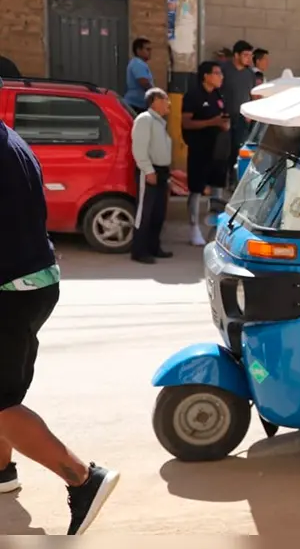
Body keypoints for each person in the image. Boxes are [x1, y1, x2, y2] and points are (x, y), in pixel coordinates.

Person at [0, 120, 120, 535]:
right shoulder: (12, 140)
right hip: (33, 281)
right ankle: (1, 472)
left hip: (10, 288)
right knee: (6, 391)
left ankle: (84, 477)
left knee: (0, 400)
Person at [182, 61, 230, 247]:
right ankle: (193, 227)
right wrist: (212, 122)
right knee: (196, 190)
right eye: (217, 73)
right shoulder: (193, 95)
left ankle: (216, 228)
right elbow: (186, 123)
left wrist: (224, 124)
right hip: (199, 150)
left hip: (218, 150)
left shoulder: (218, 95)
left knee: (217, 188)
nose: (221, 77)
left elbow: (222, 118)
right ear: (206, 76)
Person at [130, 88, 173, 265]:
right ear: (155, 100)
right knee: (145, 213)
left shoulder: (159, 122)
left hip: (162, 172)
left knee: (158, 212)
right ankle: (139, 251)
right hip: (149, 172)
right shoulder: (145, 119)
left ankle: (154, 247)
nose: (168, 103)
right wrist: (148, 170)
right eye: (165, 99)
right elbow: (139, 148)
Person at [221, 41, 256, 188]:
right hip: (224, 118)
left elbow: (252, 95)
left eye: (250, 55)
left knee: (239, 149)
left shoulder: (249, 74)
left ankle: (236, 182)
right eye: (245, 55)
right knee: (224, 151)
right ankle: (223, 181)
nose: (248, 58)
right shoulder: (224, 70)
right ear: (236, 55)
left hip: (242, 119)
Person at [124, 37, 154, 114]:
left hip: (139, 105)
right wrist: (155, 94)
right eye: (147, 49)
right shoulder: (138, 63)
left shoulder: (139, 63)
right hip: (135, 105)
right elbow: (144, 82)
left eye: (150, 49)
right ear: (138, 50)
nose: (150, 52)